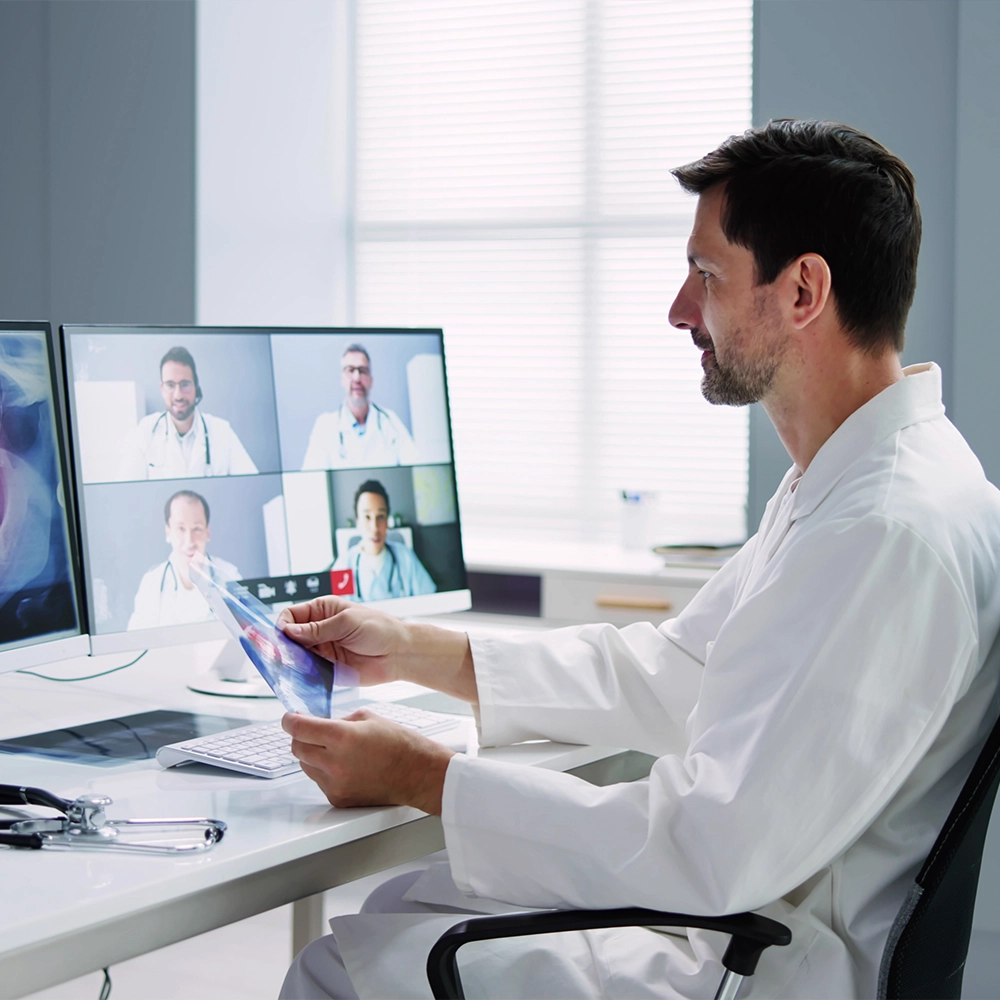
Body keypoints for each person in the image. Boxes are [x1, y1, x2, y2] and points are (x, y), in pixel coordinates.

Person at [276, 120, 1000, 1000]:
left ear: (804, 288)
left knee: (349, 967)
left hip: (764, 960)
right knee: (404, 909)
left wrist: (423, 776)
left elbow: (709, 845)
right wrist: (416, 650)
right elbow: (678, 668)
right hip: (749, 915)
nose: (679, 309)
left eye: (706, 275)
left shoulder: (887, 526)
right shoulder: (856, 479)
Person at [116, 346, 258, 480]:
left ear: (196, 386)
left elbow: (251, 482)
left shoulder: (221, 431)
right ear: (162, 388)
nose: (178, 395)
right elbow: (125, 488)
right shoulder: (145, 431)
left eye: (185, 384)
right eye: (170, 385)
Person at [127, 490, 241, 630]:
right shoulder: (151, 583)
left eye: (197, 529)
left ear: (207, 532)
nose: (189, 541)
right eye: (181, 529)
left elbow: (247, 635)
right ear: (168, 532)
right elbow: (135, 645)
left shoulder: (229, 575)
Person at [301, 344, 418, 470]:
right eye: (350, 370)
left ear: (371, 380)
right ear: (342, 379)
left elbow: (417, 469)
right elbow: (311, 479)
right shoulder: (325, 426)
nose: (357, 378)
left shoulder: (391, 421)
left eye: (362, 371)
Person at [331, 480, 437, 601]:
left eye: (380, 517)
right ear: (358, 522)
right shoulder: (343, 565)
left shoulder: (405, 557)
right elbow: (337, 612)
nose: (375, 528)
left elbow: (429, 602)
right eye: (367, 517)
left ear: (387, 521)